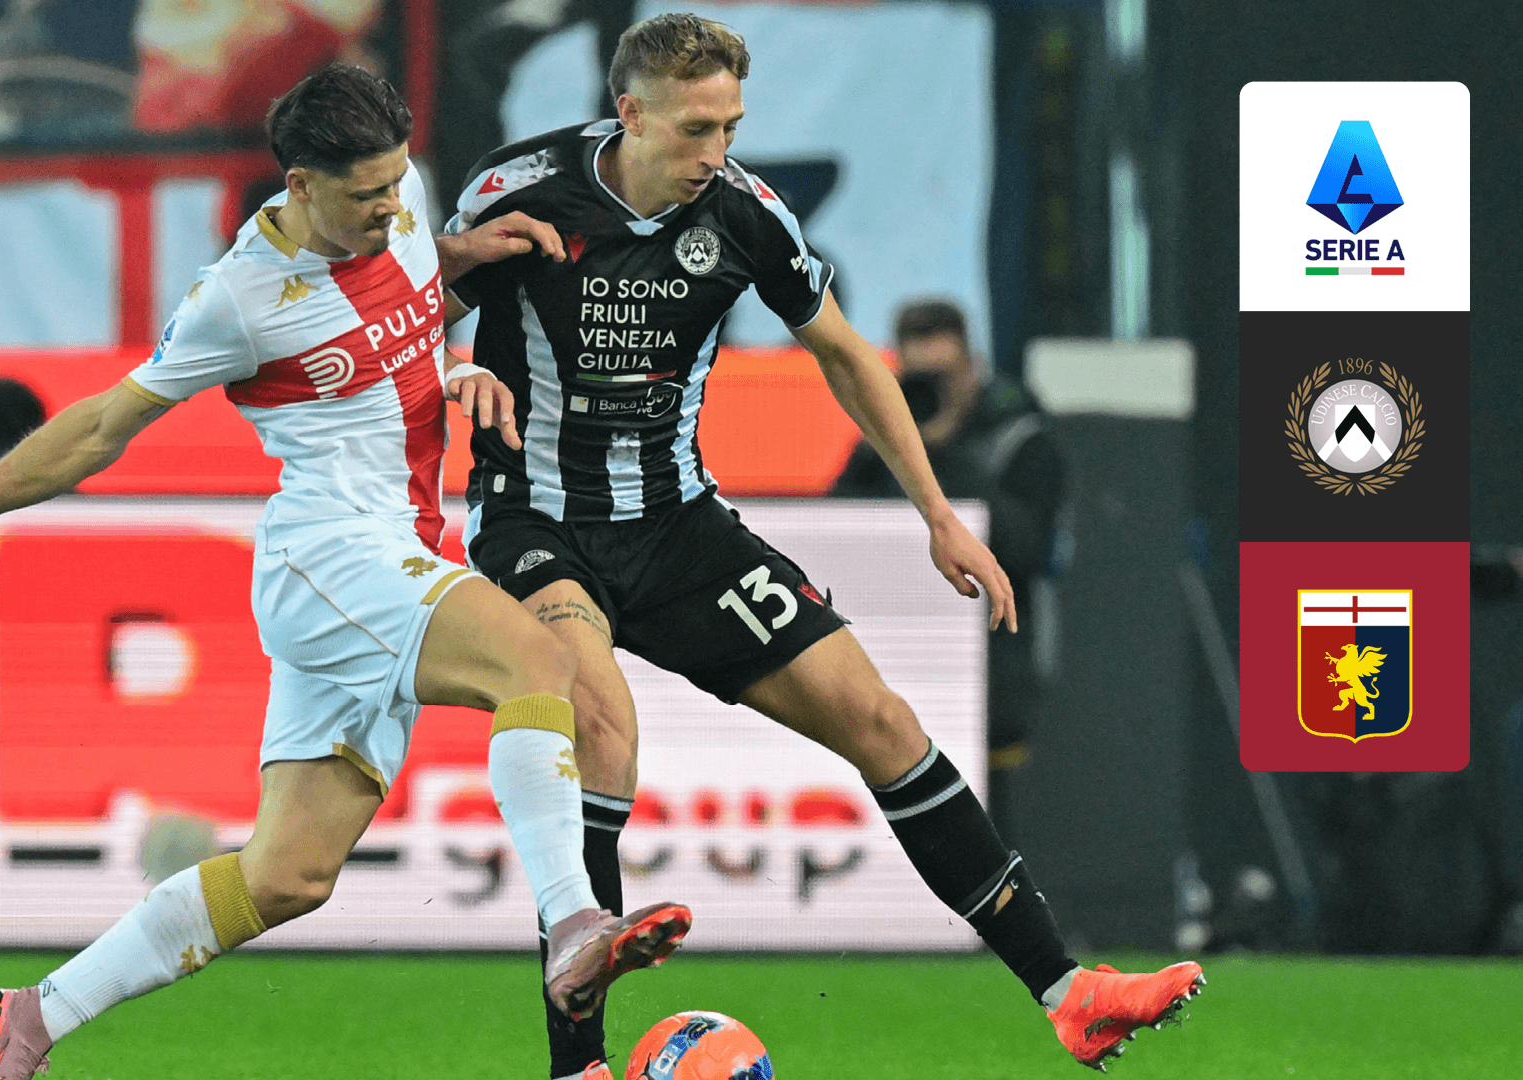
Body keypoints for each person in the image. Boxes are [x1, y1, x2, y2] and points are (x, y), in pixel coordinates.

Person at [0, 63, 692, 1080]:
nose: (391, 206)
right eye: (366, 193)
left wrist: (461, 284)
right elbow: (101, 427)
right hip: (333, 554)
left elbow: (408, 294)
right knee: (538, 662)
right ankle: (573, 924)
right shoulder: (242, 297)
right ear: (300, 185)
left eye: (397, 182)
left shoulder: (397, 209)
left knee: (288, 875)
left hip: (391, 563)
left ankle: (26, 1016)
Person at [442, 14, 1202, 1077]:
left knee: (881, 720)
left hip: (678, 525)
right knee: (600, 723)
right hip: (536, 518)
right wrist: (451, 364)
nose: (717, 152)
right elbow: (407, 305)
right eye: (697, 128)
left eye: (731, 126)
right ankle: (580, 1066)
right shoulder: (520, 187)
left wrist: (938, 513)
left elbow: (846, 355)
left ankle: (1069, 994)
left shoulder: (744, 214)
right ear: (630, 113)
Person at [831, 299, 1066, 840]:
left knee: (988, 825)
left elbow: (1027, 549)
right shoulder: (881, 448)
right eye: (917, 380)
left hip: (989, 669)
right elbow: (836, 531)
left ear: (972, 370)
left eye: (942, 378)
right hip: (895, 658)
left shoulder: (1018, 439)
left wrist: (945, 453)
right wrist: (901, 442)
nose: (929, 393)